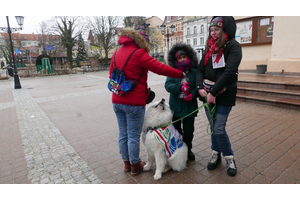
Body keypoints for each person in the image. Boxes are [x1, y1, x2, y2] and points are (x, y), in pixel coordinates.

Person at [109, 25, 185, 176]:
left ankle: (126, 162)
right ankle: (135, 164)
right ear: (142, 40)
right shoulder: (139, 53)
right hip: (134, 102)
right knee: (133, 135)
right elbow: (160, 68)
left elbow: (111, 75)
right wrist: (180, 73)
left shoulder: (116, 53)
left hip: (117, 100)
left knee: (123, 134)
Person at [196, 16, 242, 176]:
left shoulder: (233, 47)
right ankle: (216, 153)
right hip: (208, 94)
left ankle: (229, 157)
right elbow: (200, 69)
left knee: (219, 128)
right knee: (214, 127)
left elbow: (230, 72)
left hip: (224, 94)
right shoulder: (209, 47)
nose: (213, 32)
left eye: (216, 29)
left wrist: (213, 92)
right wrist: (200, 88)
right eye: (211, 29)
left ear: (224, 30)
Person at [165, 43, 199, 161]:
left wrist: (193, 94)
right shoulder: (172, 71)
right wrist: (179, 87)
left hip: (190, 107)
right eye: (179, 58)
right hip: (176, 107)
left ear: (189, 56)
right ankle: (179, 150)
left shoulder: (195, 71)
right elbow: (168, 85)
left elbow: (199, 87)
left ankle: (188, 149)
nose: (182, 59)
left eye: (184, 56)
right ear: (175, 60)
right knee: (176, 131)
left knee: (189, 131)